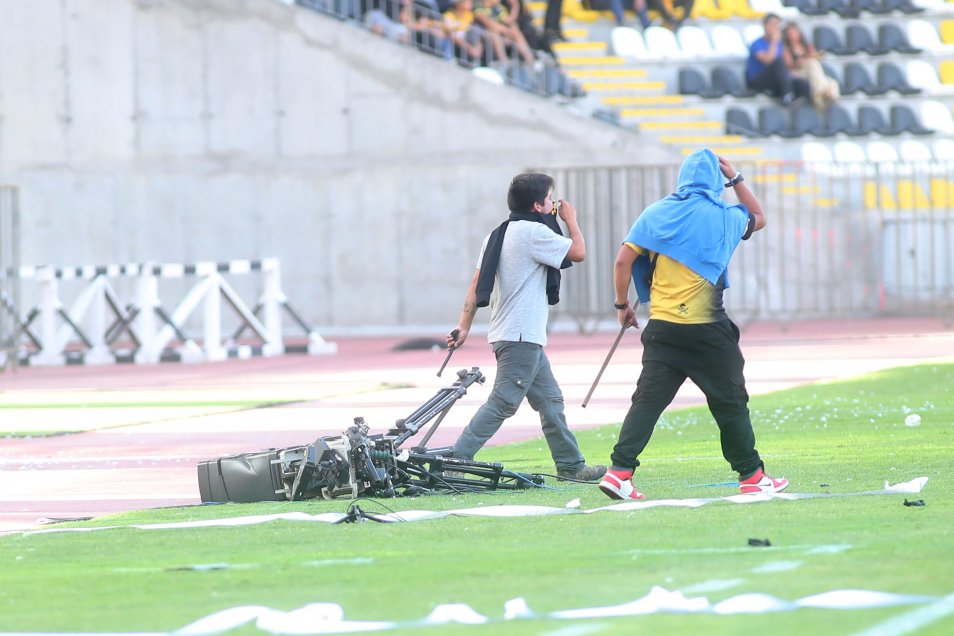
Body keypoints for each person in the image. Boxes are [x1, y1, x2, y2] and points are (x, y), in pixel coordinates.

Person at [598, 148, 789, 500]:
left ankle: (619, 472)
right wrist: (736, 179)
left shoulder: (655, 213)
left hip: (662, 329)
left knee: (647, 402)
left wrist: (622, 305)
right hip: (708, 332)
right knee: (730, 403)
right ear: (716, 181)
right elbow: (759, 216)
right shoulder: (726, 215)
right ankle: (752, 475)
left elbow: (622, 262)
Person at [444, 173, 606, 482]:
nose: (554, 203)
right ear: (537, 206)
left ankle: (571, 466)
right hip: (521, 336)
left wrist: (462, 327)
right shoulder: (533, 233)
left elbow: (476, 285)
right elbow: (578, 252)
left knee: (550, 401)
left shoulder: (497, 234)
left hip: (514, 334)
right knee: (504, 402)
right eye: (549, 199)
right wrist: (571, 220)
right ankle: (455, 461)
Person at [745, 13, 810, 105]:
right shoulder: (757, 44)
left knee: (803, 85)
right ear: (765, 26)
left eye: (777, 24)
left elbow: (787, 64)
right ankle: (787, 96)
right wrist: (774, 41)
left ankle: (804, 108)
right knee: (778, 62)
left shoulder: (780, 44)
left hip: (777, 79)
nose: (775, 28)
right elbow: (768, 60)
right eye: (772, 24)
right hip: (758, 80)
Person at [782, 21, 840, 111]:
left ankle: (829, 98)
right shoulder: (786, 48)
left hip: (810, 71)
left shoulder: (806, 45)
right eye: (790, 33)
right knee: (813, 65)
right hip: (798, 71)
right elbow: (789, 64)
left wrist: (811, 56)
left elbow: (814, 56)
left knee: (832, 82)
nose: (792, 35)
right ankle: (822, 94)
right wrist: (801, 61)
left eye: (793, 32)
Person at [473, 0, 538, 66]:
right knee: (494, 32)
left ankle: (532, 61)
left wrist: (515, 7)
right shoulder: (478, 6)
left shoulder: (497, 8)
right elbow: (489, 24)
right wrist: (506, 31)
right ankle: (504, 61)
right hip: (482, 36)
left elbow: (507, 21)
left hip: (500, 33)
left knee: (515, 32)